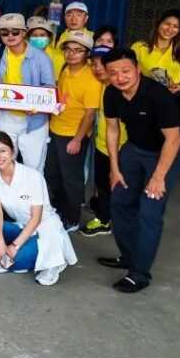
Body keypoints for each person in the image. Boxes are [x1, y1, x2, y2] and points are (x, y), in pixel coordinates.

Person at [99, 48, 180, 293]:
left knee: (149, 211)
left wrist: (158, 178)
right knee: (119, 202)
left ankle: (139, 274)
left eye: (125, 71)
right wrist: (114, 168)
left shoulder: (158, 95)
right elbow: (113, 130)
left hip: (166, 153)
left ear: (137, 69)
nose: (120, 77)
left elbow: (174, 139)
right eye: (113, 73)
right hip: (134, 150)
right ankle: (129, 256)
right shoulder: (112, 94)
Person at [0, 132, 78, 286]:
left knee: (15, 261)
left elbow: (36, 218)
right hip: (22, 227)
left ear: (12, 152)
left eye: (3, 151)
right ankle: (12, 256)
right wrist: (0, 243)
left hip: (44, 228)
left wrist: (13, 246)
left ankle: (53, 261)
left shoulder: (33, 176)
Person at [0, 13, 56, 172]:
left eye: (15, 32)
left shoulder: (40, 57)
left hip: (34, 121)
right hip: (6, 117)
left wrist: (36, 104)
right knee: (2, 163)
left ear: (24, 33)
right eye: (4, 32)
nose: (10, 36)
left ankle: (33, 197)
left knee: (33, 169)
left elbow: (50, 88)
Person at [47, 30, 102, 232]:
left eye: (78, 51)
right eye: (68, 50)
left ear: (87, 53)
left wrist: (78, 139)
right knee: (53, 175)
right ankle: (60, 212)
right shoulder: (63, 68)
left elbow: (90, 115)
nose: (72, 54)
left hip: (72, 135)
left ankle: (72, 218)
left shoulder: (91, 78)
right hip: (55, 129)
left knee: (72, 179)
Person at [81, 45, 125, 238]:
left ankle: (109, 220)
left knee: (117, 185)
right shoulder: (100, 86)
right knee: (102, 184)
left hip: (121, 148)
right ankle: (105, 218)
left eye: (102, 64)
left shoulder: (120, 88)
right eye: (93, 64)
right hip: (101, 144)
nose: (97, 68)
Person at [130, 9, 180, 94]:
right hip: (143, 97)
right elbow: (131, 76)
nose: (170, 29)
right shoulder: (139, 47)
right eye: (167, 24)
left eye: (176, 26)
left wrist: (179, 87)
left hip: (171, 100)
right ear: (158, 23)